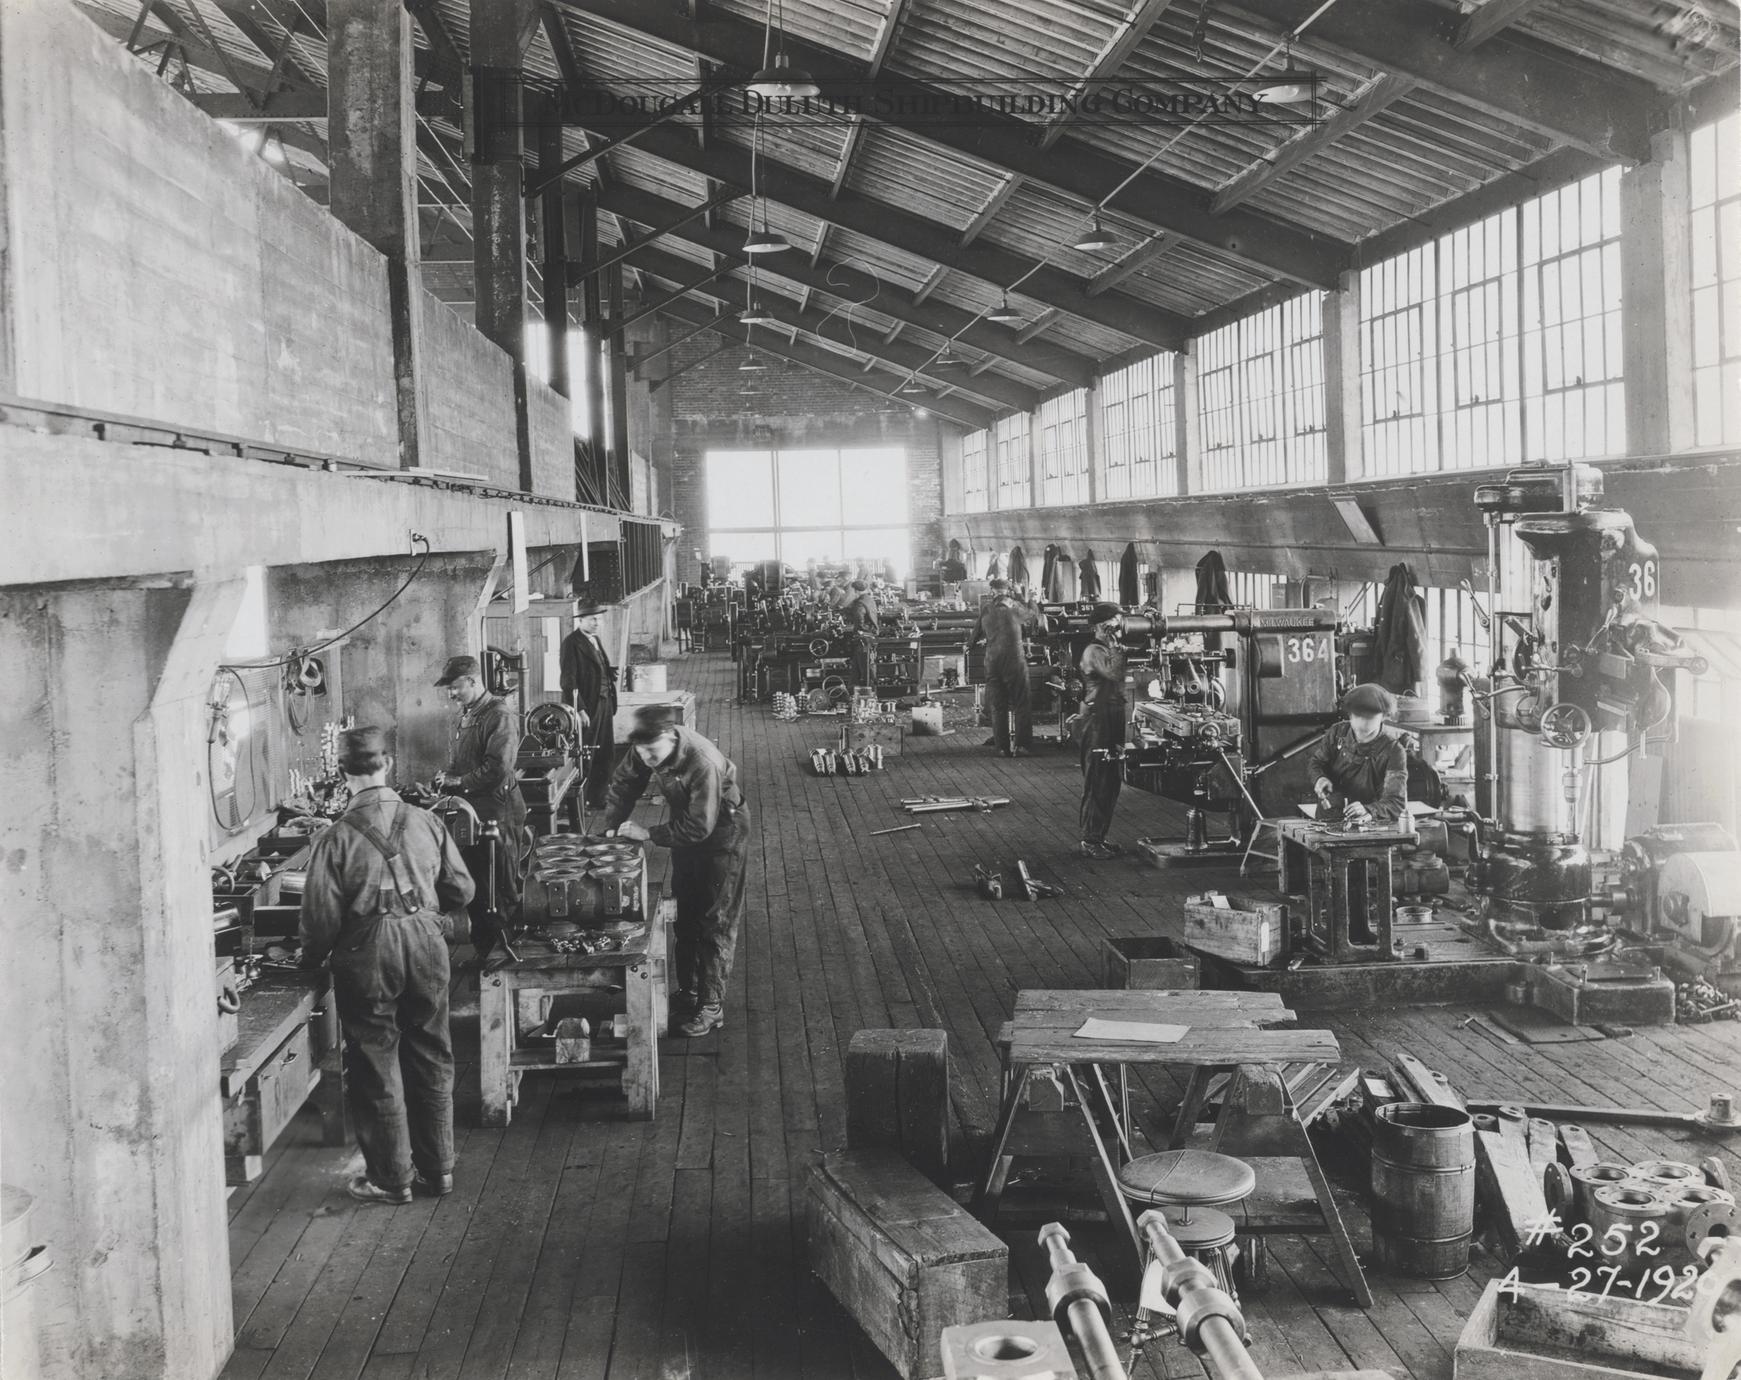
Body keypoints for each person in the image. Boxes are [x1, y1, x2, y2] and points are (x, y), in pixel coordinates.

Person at [299, 727, 474, 1205]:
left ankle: (391, 1180)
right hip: (425, 944)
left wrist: (308, 960)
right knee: (432, 1054)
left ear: (343, 774)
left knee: (376, 1059)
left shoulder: (333, 839)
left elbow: (319, 920)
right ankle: (439, 1173)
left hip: (368, 954)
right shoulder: (426, 821)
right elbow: (462, 890)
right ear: (388, 766)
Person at [603, 707, 751, 1038]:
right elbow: (624, 783)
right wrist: (611, 829)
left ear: (670, 739)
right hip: (688, 826)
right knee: (686, 915)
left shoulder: (702, 761)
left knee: (715, 919)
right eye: (642, 754)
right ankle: (690, 992)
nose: (647, 759)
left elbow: (700, 826)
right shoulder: (648, 746)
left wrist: (649, 834)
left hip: (723, 835)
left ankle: (712, 1007)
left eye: (653, 754)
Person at [433, 654, 528, 963]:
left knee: (499, 886)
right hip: (474, 812)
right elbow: (464, 759)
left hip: (497, 811)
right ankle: (486, 950)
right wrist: (446, 777)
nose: (451, 693)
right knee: (477, 884)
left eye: (455, 686)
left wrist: (458, 782)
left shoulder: (498, 714)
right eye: (448, 688)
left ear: (473, 681)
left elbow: (497, 768)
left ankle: (505, 955)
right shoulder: (469, 713)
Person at [1309, 683, 1409, 826]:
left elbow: (1396, 803)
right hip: (1327, 821)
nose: (1363, 720)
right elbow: (1316, 763)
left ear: (1383, 716)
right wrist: (1320, 778)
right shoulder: (1337, 733)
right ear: (1349, 714)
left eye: (1370, 716)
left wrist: (1369, 810)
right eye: (1358, 715)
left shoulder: (1393, 751)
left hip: (1369, 827)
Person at [1072, 603, 1128, 860]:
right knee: (1098, 782)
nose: (1118, 628)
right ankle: (1090, 840)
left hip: (1111, 717)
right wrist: (1115, 643)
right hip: (1096, 721)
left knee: (1111, 781)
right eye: (1114, 623)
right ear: (1101, 625)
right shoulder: (1095, 650)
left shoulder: (1106, 648)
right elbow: (1114, 673)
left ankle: (1099, 837)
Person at [559, 604, 618, 811]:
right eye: (592, 619)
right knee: (585, 753)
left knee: (604, 751)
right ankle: (579, 802)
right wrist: (579, 709)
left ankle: (598, 797)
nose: (596, 623)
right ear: (580, 620)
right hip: (588, 707)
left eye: (599, 619)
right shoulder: (571, 643)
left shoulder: (595, 640)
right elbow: (568, 680)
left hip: (604, 702)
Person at [972, 577, 1037, 757]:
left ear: (992, 592)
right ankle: (1022, 746)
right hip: (1014, 660)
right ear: (1007, 591)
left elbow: (975, 634)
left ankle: (1002, 748)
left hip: (992, 661)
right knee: (1021, 703)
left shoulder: (986, 608)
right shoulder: (1016, 607)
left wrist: (969, 645)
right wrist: (1029, 597)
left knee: (998, 705)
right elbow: (1033, 616)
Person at [843, 579, 881, 690]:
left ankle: (870, 695)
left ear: (855, 590)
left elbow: (860, 622)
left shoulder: (859, 603)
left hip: (863, 640)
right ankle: (856, 694)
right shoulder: (869, 599)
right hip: (870, 637)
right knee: (857, 669)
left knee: (865, 670)